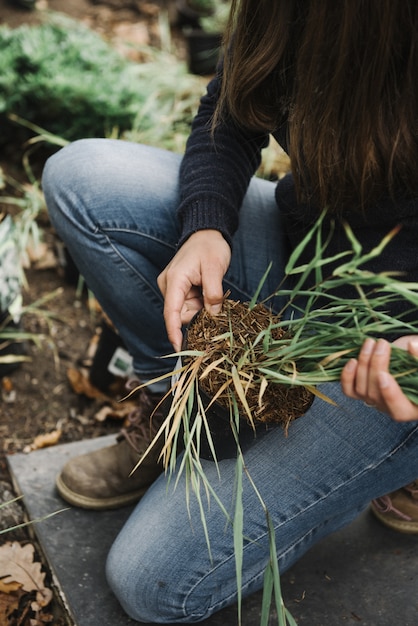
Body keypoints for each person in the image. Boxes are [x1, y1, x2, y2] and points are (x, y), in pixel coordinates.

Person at [42, 0, 418, 622]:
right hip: (308, 256)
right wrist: (206, 225)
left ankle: (384, 469)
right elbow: (233, 104)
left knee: (152, 581)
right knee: (83, 178)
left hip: (387, 362)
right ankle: (187, 415)